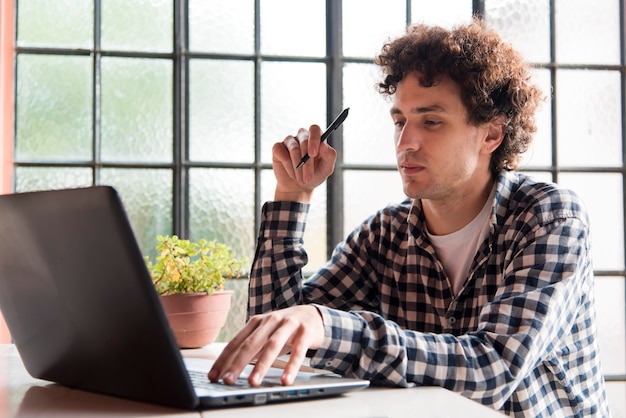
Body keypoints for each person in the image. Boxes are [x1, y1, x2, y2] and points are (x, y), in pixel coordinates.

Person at [208, 20, 611, 417]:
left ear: (491, 135)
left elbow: (493, 370)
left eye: (431, 121)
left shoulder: (548, 217)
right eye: (399, 121)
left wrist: (330, 328)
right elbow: (269, 338)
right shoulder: (384, 235)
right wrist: (292, 197)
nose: (405, 144)